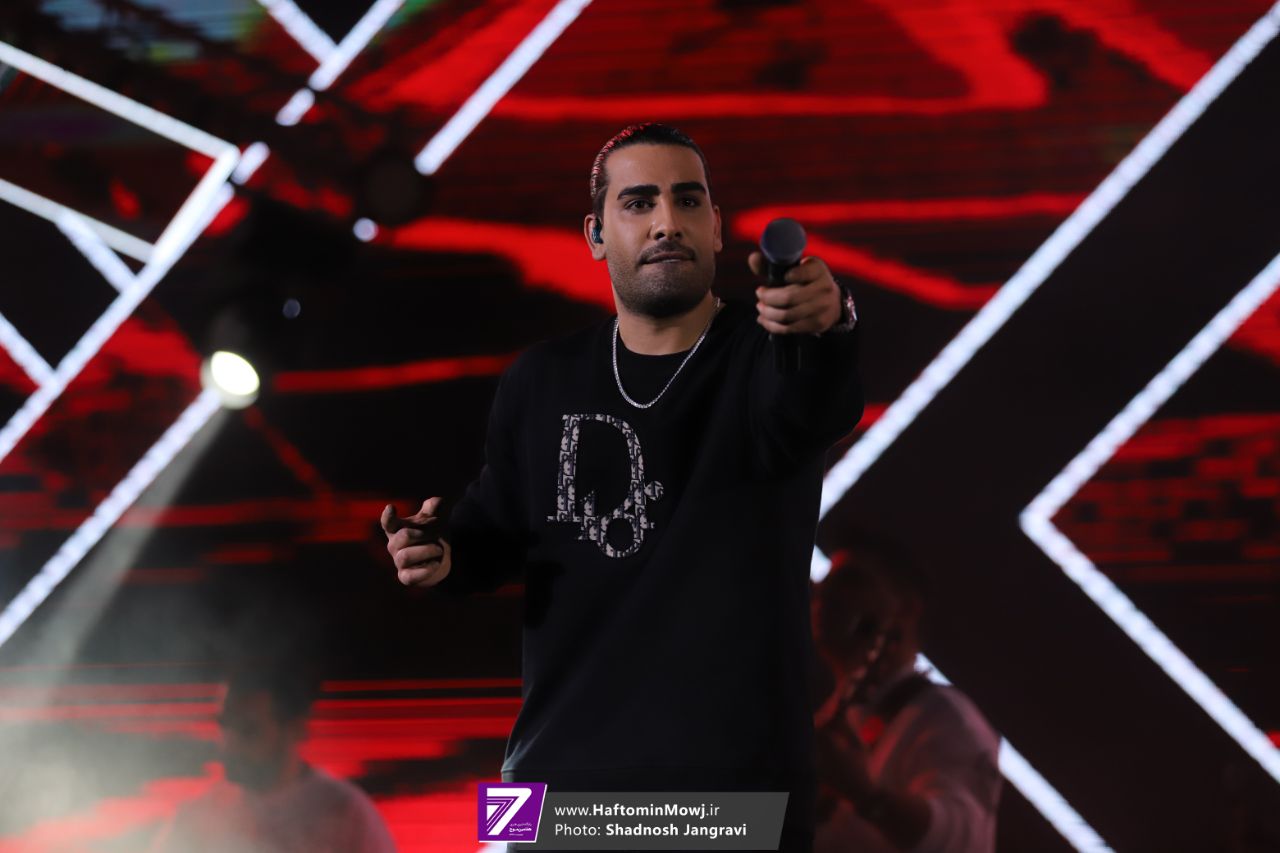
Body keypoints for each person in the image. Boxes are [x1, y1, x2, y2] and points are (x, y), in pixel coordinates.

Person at [381, 123, 863, 850]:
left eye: (687, 201)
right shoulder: (541, 378)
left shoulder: (766, 355)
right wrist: (441, 553)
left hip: (727, 799)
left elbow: (818, 399)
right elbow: (493, 530)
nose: (667, 221)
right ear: (596, 234)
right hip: (549, 793)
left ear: (716, 226)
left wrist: (830, 323)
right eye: (639, 203)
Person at [811, 545, 1001, 853]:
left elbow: (965, 842)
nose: (824, 593)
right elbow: (755, 831)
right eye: (824, 582)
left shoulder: (944, 717)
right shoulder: (822, 717)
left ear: (906, 609)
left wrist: (865, 796)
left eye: (850, 581)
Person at [152, 661, 395, 853]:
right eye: (225, 726)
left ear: (295, 729)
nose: (229, 745)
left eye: (249, 730)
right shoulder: (198, 819)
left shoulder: (346, 815)